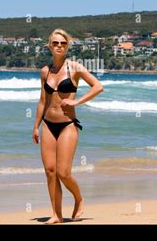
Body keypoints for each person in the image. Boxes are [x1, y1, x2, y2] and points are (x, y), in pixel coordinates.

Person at [32, 29, 104, 224]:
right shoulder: (45, 71)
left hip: (67, 125)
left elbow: (98, 86)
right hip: (48, 124)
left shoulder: (75, 68)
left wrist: (76, 102)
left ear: (67, 46)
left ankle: (79, 198)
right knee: (50, 171)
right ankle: (56, 214)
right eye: (55, 43)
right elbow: (42, 101)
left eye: (63, 43)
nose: (59, 46)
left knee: (63, 172)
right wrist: (35, 126)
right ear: (49, 45)